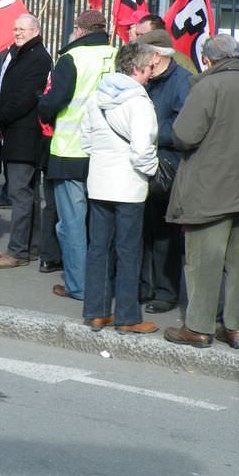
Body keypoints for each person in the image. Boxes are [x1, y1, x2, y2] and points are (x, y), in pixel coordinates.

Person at [163, 34, 239, 350]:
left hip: (211, 186)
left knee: (204, 258)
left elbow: (183, 135)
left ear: (208, 60)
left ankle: (199, 326)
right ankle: (237, 328)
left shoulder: (207, 87)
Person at [80, 42, 159, 334]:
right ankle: (127, 316)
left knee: (98, 248)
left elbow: (86, 140)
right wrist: (152, 171)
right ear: (137, 68)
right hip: (129, 185)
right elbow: (142, 150)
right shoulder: (138, 102)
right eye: (150, 67)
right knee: (128, 251)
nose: (152, 72)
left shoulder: (96, 96)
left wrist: (103, 158)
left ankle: (96, 311)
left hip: (100, 181)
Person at [38, 9, 116, 301]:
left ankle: (79, 286)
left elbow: (55, 100)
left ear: (79, 30)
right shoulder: (118, 55)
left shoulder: (72, 58)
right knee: (101, 225)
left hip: (71, 151)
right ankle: (101, 283)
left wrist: (42, 105)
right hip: (107, 153)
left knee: (70, 224)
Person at [0, 14, 53, 268]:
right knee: (28, 194)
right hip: (17, 133)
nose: (17, 33)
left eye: (22, 29)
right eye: (15, 28)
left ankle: (17, 251)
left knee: (20, 194)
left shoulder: (37, 57)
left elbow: (25, 98)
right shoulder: (22, 53)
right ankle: (30, 246)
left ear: (35, 30)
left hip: (24, 134)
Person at [135, 29, 191, 314]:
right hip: (142, 162)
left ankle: (166, 292)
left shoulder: (182, 82)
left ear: (156, 56)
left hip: (167, 165)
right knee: (142, 230)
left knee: (165, 234)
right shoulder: (146, 79)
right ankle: (142, 286)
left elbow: (183, 126)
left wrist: (148, 132)